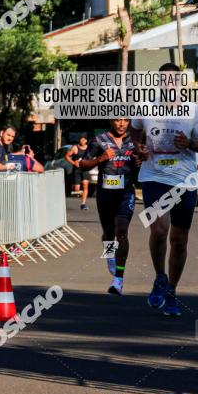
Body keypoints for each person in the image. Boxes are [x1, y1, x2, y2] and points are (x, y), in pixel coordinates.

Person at [130, 62, 198, 316]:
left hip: (185, 180)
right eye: (163, 80)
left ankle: (172, 291)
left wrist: (189, 143)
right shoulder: (145, 107)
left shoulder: (192, 110)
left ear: (179, 83)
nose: (168, 84)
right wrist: (139, 148)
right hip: (154, 177)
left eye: (172, 80)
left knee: (179, 239)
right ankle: (159, 277)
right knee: (159, 229)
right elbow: (134, 133)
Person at [78, 119, 141, 296]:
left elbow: (143, 163)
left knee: (122, 232)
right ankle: (109, 252)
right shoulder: (99, 140)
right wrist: (101, 158)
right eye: (117, 120)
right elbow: (82, 164)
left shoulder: (134, 141)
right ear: (111, 121)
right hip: (105, 194)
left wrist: (139, 163)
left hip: (126, 193)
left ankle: (119, 278)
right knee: (109, 232)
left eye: (125, 120)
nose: (121, 124)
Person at [66, 135, 91, 210]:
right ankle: (74, 188)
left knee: (85, 184)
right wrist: (74, 163)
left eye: (84, 140)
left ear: (86, 141)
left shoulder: (89, 148)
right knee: (77, 189)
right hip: (77, 169)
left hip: (85, 169)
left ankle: (83, 203)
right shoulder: (75, 148)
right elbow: (66, 156)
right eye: (81, 140)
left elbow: (93, 156)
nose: (82, 141)